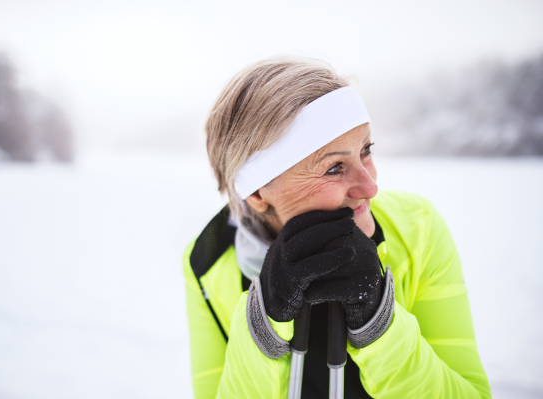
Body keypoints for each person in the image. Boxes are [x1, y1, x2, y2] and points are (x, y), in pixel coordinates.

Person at [183, 56, 491, 398]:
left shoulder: (418, 228)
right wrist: (262, 326)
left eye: (366, 151)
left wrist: (379, 323)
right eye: (334, 168)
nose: (370, 186)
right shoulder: (208, 262)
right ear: (257, 192)